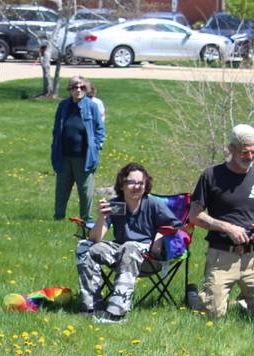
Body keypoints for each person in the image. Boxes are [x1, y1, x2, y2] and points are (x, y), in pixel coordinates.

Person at [76, 163, 181, 324]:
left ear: (146, 185)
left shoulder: (151, 204)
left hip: (149, 257)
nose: (136, 186)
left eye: (141, 182)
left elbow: (176, 226)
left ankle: (116, 313)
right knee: (84, 247)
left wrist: (159, 239)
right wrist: (102, 217)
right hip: (120, 251)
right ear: (122, 184)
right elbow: (95, 240)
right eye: (131, 182)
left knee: (130, 247)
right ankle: (92, 306)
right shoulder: (117, 206)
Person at [187, 123, 254, 317]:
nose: (249, 157)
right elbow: (195, 216)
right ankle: (193, 297)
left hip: (252, 257)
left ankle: (243, 300)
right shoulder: (211, 176)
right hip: (222, 255)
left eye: (253, 152)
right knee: (213, 314)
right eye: (244, 152)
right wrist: (227, 227)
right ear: (231, 149)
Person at [51, 75, 106, 224]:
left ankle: (86, 220)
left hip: (84, 156)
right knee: (62, 189)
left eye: (82, 87)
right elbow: (56, 128)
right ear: (70, 90)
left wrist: (97, 146)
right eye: (75, 87)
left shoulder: (92, 106)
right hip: (64, 155)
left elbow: (100, 129)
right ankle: (58, 217)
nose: (79, 90)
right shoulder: (63, 106)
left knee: (85, 191)